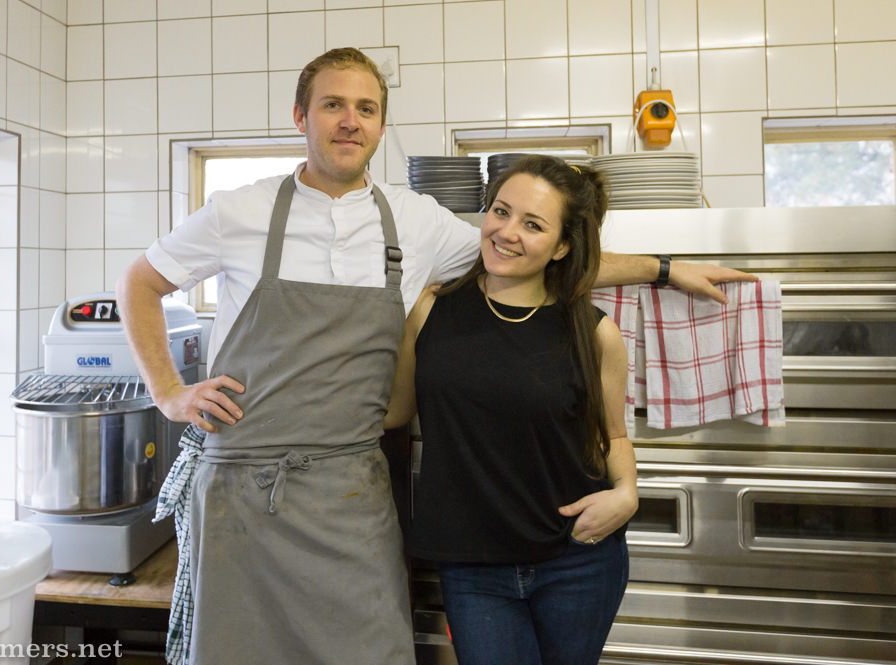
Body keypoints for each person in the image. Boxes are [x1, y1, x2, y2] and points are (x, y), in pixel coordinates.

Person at [116, 47, 753, 665]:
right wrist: (171, 392)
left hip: (351, 489)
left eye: (366, 108)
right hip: (244, 489)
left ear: (381, 126)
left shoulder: (414, 221)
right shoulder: (239, 210)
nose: (349, 120)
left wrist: (662, 269)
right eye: (332, 104)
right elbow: (140, 284)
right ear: (300, 116)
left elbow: (528, 257)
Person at [383, 155, 636, 665]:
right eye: (500, 211)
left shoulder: (594, 332)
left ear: (562, 246)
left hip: (578, 559)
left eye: (533, 224)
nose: (507, 232)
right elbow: (392, 414)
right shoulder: (430, 311)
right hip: (473, 566)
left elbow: (612, 435)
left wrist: (627, 495)